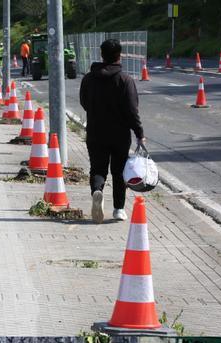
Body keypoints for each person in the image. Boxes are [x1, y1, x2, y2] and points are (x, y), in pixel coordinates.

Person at [79, 38, 145, 224]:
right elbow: (132, 111)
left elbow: (84, 102)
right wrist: (139, 133)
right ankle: (119, 209)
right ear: (119, 55)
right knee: (119, 170)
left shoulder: (89, 78)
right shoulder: (125, 80)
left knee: (98, 168)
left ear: (102, 55)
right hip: (120, 134)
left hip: (95, 131)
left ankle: (97, 191)